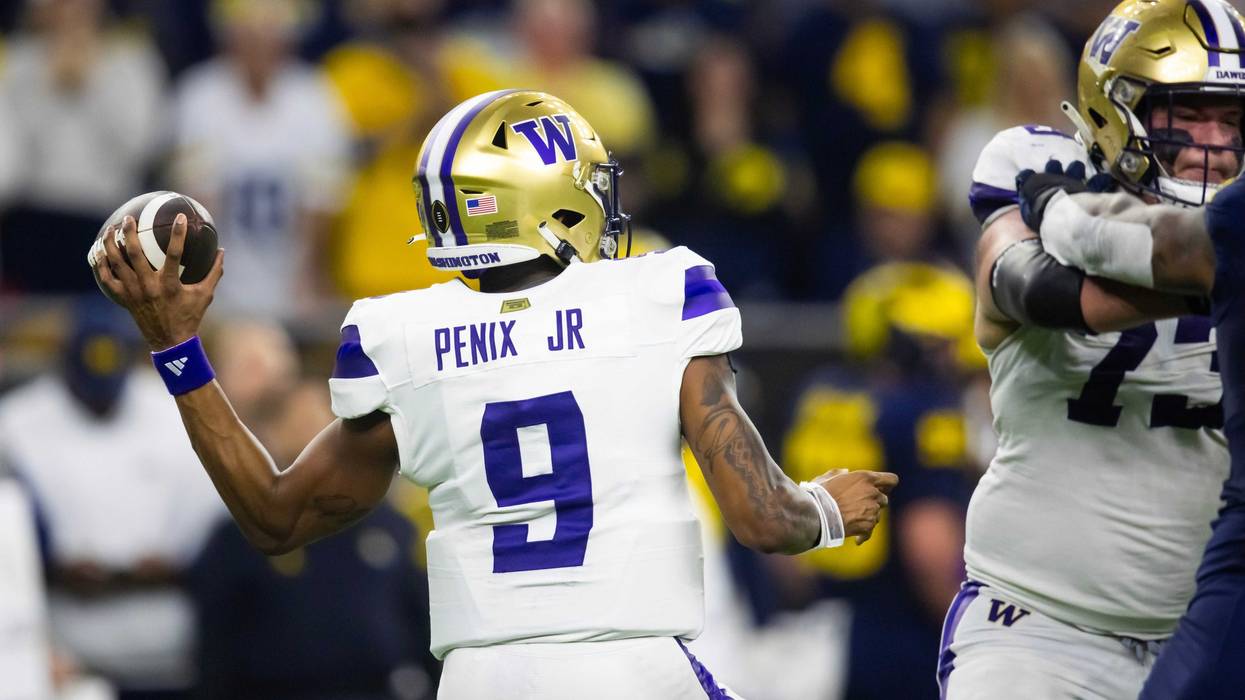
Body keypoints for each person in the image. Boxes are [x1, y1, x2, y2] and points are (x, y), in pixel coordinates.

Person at [90, 89, 897, 699]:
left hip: (481, 680)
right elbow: (762, 518)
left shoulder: (399, 337)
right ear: (543, 198)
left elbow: (277, 517)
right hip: (630, 669)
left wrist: (175, 346)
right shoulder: (660, 293)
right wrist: (826, 508)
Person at [939, 1, 1241, 697]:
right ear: (1116, 108)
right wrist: (1217, 276)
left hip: (1204, 637)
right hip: (1038, 628)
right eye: (1187, 114)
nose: (1214, 144)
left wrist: (1214, 264)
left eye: (1232, 121)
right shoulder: (1039, 164)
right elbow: (1023, 284)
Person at [0, 299, 224, 700]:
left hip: (170, 641)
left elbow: (217, 521)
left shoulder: (174, 407)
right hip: (64, 653)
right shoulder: (16, 422)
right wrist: (53, 566)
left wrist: (179, 562)